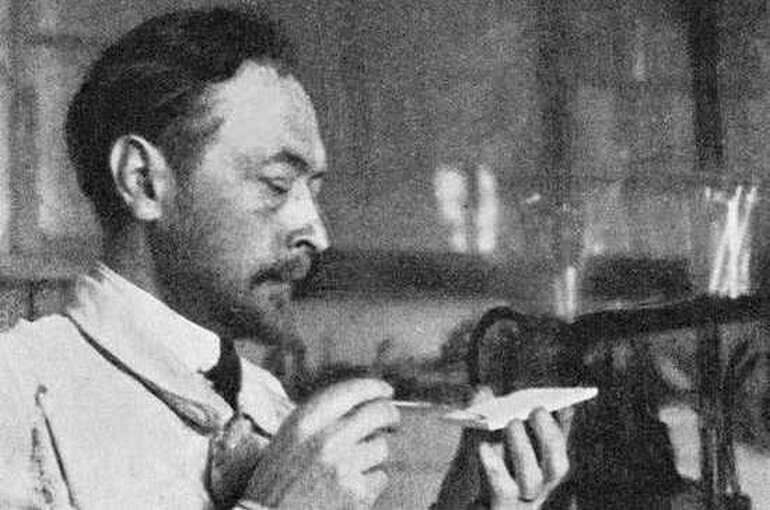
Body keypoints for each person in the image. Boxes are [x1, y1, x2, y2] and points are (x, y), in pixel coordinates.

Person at [0, 7, 570, 509]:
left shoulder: (267, 400)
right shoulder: (18, 395)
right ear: (144, 181)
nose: (317, 234)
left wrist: (474, 503)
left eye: (312, 190)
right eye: (276, 184)